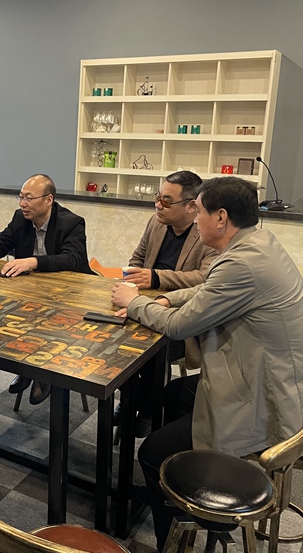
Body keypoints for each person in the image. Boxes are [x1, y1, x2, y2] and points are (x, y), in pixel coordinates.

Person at [111, 176, 303, 552]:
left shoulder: (241, 263)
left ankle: (193, 526)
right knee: (174, 394)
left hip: (269, 403)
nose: (195, 220)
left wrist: (134, 302)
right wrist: (168, 298)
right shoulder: (258, 243)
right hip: (278, 382)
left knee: (151, 453)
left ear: (221, 217)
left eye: (199, 212)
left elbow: (180, 327)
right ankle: (191, 491)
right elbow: (209, 289)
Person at [0, 174, 92, 405]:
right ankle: (27, 368)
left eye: (29, 198)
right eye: (21, 197)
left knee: (46, 320)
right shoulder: (20, 218)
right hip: (32, 292)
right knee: (12, 317)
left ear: (48, 200)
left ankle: (42, 374)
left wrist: (32, 262)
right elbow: (1, 243)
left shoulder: (72, 222)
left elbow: (72, 259)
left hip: (68, 295)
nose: (22, 203)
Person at [114, 170, 217, 436]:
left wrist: (157, 277)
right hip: (142, 303)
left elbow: (204, 278)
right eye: (157, 197)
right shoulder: (156, 222)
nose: (158, 205)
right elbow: (137, 259)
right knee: (114, 339)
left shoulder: (206, 232)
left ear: (191, 206)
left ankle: (148, 409)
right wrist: (133, 278)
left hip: (182, 318)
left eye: (167, 201)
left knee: (149, 353)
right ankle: (131, 401)